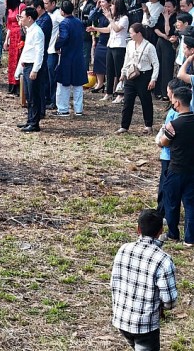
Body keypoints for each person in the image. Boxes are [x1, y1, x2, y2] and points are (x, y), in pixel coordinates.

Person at [110, 209, 177, 351]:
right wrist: (162, 308)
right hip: (145, 326)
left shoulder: (123, 249)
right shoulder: (163, 260)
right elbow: (170, 301)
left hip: (121, 319)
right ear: (160, 231)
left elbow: (114, 284)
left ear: (138, 229)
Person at [159, 85, 194, 246]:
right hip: (192, 169)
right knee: (190, 204)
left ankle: (173, 233)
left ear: (177, 103)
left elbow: (163, 142)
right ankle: (190, 238)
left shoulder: (173, 125)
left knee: (171, 202)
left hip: (176, 169)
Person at [116, 23, 159, 134]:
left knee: (146, 101)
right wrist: (123, 73)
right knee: (127, 101)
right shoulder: (130, 44)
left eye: (131, 33)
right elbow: (127, 60)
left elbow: (155, 64)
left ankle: (148, 125)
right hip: (131, 75)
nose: (130, 35)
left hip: (144, 75)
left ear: (138, 33)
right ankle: (124, 126)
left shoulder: (149, 46)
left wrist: (153, 79)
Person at [52, 1, 88, 117]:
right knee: (78, 84)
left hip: (67, 56)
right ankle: (78, 109)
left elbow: (64, 36)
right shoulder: (79, 22)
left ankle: (63, 109)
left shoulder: (64, 23)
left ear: (62, 11)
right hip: (78, 55)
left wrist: (57, 46)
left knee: (63, 84)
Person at [155, 78, 185, 217]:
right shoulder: (185, 111)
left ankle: (164, 213)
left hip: (169, 155)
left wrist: (160, 141)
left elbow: (167, 138)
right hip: (178, 156)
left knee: (166, 187)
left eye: (168, 91)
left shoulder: (175, 113)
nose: (167, 94)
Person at [15, 6, 47, 132]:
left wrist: (35, 69)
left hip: (33, 66)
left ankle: (34, 123)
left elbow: (39, 52)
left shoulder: (37, 31)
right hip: (27, 65)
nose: (20, 19)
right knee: (28, 95)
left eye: (22, 17)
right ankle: (30, 120)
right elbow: (27, 51)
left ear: (29, 18)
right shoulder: (30, 30)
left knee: (34, 95)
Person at [100, 0, 130, 103]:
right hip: (111, 45)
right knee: (109, 70)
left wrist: (109, 18)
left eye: (112, 5)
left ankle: (121, 93)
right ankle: (109, 92)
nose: (111, 7)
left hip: (120, 47)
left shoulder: (124, 18)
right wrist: (95, 29)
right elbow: (109, 29)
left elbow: (117, 29)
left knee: (119, 71)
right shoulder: (115, 18)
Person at [43, 0, 64, 109]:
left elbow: (66, 24)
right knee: (45, 76)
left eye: (46, 3)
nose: (44, 5)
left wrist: (59, 43)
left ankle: (54, 100)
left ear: (53, 3)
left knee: (53, 77)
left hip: (53, 51)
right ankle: (47, 98)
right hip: (46, 50)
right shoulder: (47, 14)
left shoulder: (57, 15)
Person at [154, 0, 178, 100]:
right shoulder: (161, 15)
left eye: (169, 6)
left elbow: (169, 32)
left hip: (169, 44)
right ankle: (157, 91)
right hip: (161, 41)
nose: (166, 8)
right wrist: (163, 36)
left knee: (167, 67)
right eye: (165, 6)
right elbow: (156, 28)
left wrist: (167, 19)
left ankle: (165, 92)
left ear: (174, 7)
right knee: (158, 64)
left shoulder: (176, 18)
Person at [3, 0, 25, 96]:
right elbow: (9, 26)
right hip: (12, 36)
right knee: (12, 61)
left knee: (18, 60)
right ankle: (11, 84)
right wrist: (6, 40)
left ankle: (18, 85)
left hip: (20, 36)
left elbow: (24, 23)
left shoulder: (21, 7)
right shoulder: (10, 9)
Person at [75, 0, 96, 74]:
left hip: (86, 31)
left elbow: (91, 19)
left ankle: (85, 73)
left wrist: (80, 21)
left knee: (85, 55)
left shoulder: (91, 5)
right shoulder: (80, 4)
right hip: (79, 31)